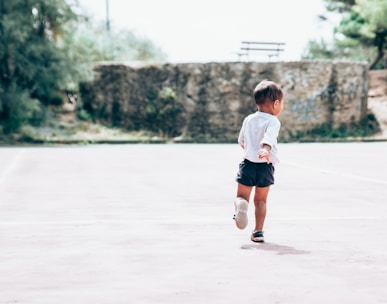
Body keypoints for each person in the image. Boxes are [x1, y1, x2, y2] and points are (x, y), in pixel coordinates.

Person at [233, 80, 284, 242]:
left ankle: (241, 205)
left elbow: (241, 141)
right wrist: (265, 150)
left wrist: (252, 151)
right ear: (276, 103)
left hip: (248, 164)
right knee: (261, 201)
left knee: (241, 196)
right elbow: (269, 138)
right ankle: (258, 232)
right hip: (265, 167)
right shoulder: (273, 121)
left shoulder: (248, 119)